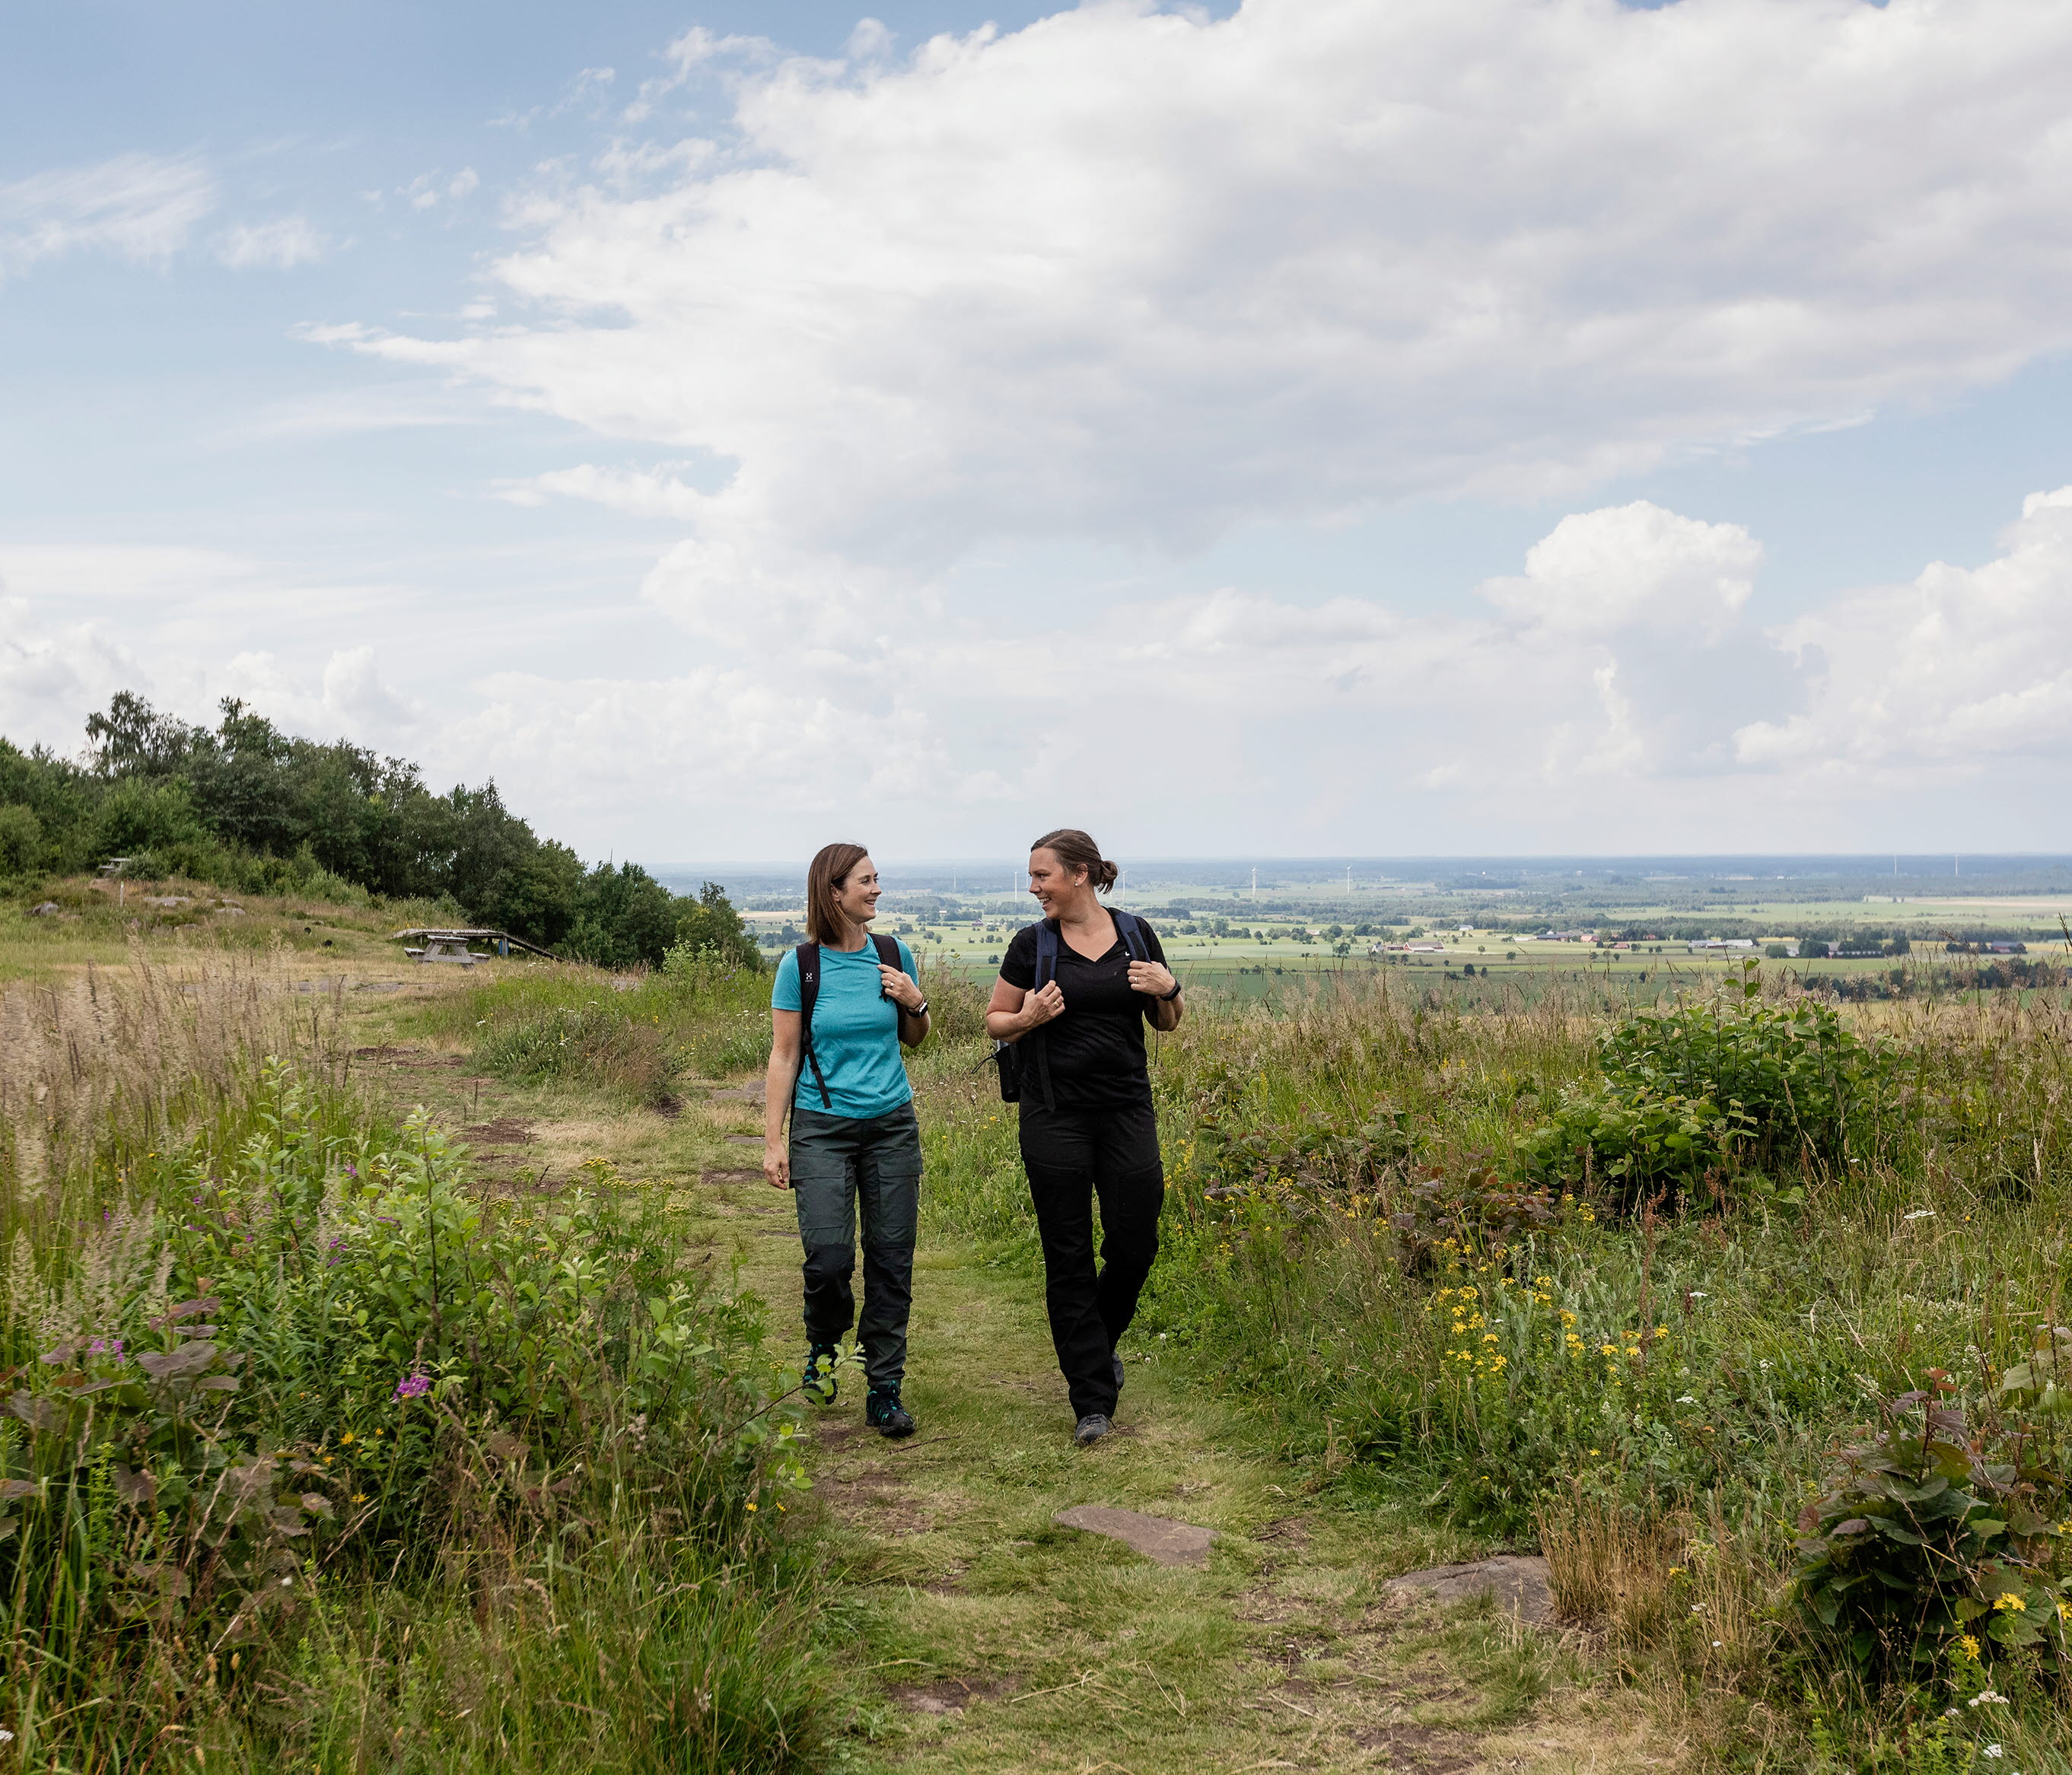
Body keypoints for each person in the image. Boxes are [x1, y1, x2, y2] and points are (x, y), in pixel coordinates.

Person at [985, 829, 1183, 1446]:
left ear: (1080, 874)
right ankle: (1091, 1400)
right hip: (1052, 1115)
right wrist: (1028, 1019)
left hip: (1126, 1109)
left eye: (1041, 875)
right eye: (1031, 876)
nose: (1033, 886)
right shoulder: (1032, 944)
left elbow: (1167, 1021)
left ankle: (1095, 1345)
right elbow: (996, 1019)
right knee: (1066, 1253)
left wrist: (1169, 990)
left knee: (1136, 1239)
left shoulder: (1134, 933)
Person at [764, 844, 931, 1437]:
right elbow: (784, 1055)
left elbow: (915, 1035)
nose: (877, 889)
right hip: (822, 1128)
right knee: (830, 1257)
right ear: (834, 892)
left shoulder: (893, 953)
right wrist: (773, 1140)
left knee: (890, 1259)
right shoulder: (800, 966)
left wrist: (917, 1002)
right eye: (866, 881)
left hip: (891, 1123)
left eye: (877, 879)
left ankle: (884, 1389)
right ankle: (822, 1345)